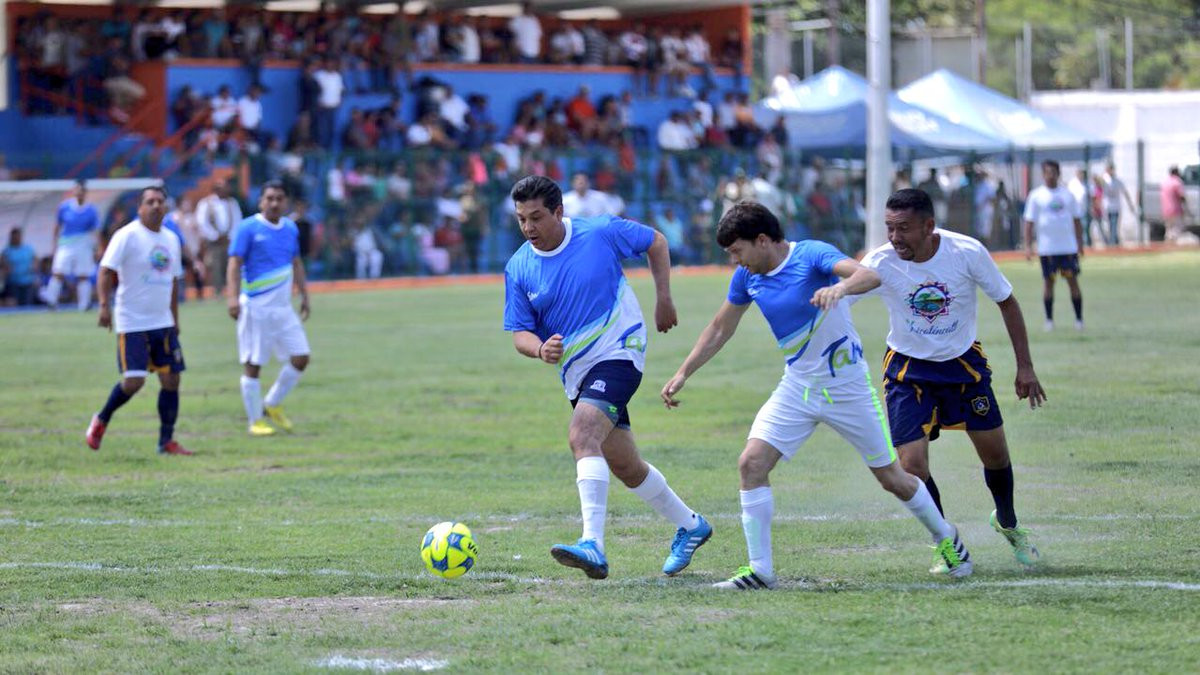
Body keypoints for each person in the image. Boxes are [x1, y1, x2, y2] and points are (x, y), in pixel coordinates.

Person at [660, 202, 973, 589]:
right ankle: (760, 572)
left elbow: (869, 276)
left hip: (847, 388)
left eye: (737, 251)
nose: (734, 261)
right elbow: (720, 327)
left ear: (762, 240)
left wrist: (838, 288)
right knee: (751, 464)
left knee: (892, 478)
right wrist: (683, 372)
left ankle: (948, 539)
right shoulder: (746, 277)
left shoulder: (811, 254)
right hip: (797, 387)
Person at [502, 175, 711, 580]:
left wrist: (664, 298)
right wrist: (539, 349)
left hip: (619, 350)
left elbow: (657, 241)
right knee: (624, 464)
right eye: (521, 219)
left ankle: (592, 544)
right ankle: (691, 525)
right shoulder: (519, 267)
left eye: (537, 217)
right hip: (577, 372)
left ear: (560, 212)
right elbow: (519, 333)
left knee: (582, 435)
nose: (529, 228)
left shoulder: (599, 231)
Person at [852, 188, 1044, 572]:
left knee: (995, 455)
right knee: (911, 466)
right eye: (889, 228)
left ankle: (1007, 521)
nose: (894, 238)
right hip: (908, 371)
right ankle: (946, 541)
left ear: (928, 226)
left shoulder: (966, 252)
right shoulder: (880, 262)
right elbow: (841, 298)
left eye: (903, 229)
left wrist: (1025, 367)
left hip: (962, 367)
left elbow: (1006, 301)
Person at [86, 186, 191, 456]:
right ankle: (102, 419)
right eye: (150, 201)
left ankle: (166, 441)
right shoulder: (127, 236)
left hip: (163, 321)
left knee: (171, 380)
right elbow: (106, 271)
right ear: (140, 208)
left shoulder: (171, 239)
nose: (156, 205)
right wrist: (103, 306)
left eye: (160, 201)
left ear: (166, 207)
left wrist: (174, 319)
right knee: (134, 381)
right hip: (132, 320)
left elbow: (174, 281)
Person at [226, 180, 311, 437]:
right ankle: (254, 421)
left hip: (283, 308)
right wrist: (231, 297)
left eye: (279, 198)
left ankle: (272, 403)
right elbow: (234, 263)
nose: (274, 203)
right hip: (256, 307)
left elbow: (295, 262)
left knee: (301, 357)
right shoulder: (248, 228)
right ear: (261, 201)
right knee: (253, 365)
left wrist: (305, 294)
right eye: (270, 198)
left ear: (286, 202)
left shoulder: (290, 228)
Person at [1023, 160, 1085, 331]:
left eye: (1053, 172)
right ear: (1043, 174)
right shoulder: (1036, 196)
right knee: (1048, 283)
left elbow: (1077, 220)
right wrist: (1028, 246)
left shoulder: (1067, 195)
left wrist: (1080, 244)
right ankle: (1049, 320)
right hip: (1047, 249)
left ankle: (1079, 319)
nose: (1050, 176)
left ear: (1059, 174)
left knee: (1072, 281)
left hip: (1067, 248)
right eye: (1047, 172)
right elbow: (1029, 222)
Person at [45, 179, 101, 311]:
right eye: (77, 190)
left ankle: (84, 304)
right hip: (66, 244)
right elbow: (57, 226)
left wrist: (98, 247)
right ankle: (51, 301)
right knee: (58, 272)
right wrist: (54, 245)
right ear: (74, 191)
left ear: (85, 192)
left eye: (82, 191)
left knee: (83, 274)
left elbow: (95, 230)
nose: (79, 193)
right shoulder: (64, 207)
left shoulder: (91, 210)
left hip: (83, 244)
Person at [197, 180, 243, 299]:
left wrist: (230, 236)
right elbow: (202, 222)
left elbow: (238, 221)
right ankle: (217, 294)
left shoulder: (232, 203)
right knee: (215, 267)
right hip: (214, 243)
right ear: (216, 190)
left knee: (231, 266)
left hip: (229, 241)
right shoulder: (206, 203)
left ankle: (233, 292)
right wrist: (215, 236)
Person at [1, 228, 38, 306]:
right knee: (14, 303)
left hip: (27, 282)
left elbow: (35, 260)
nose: (16, 238)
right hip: (13, 283)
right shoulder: (7, 251)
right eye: (14, 237)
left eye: (17, 236)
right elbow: (3, 265)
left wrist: (34, 268)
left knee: (27, 304)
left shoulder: (28, 249)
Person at [1160, 166, 1192, 243]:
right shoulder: (1177, 182)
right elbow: (1181, 196)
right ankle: (1173, 246)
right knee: (1177, 229)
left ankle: (1168, 245)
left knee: (1169, 230)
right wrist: (1187, 208)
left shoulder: (1165, 182)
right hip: (1175, 210)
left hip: (1165, 210)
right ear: (1176, 172)